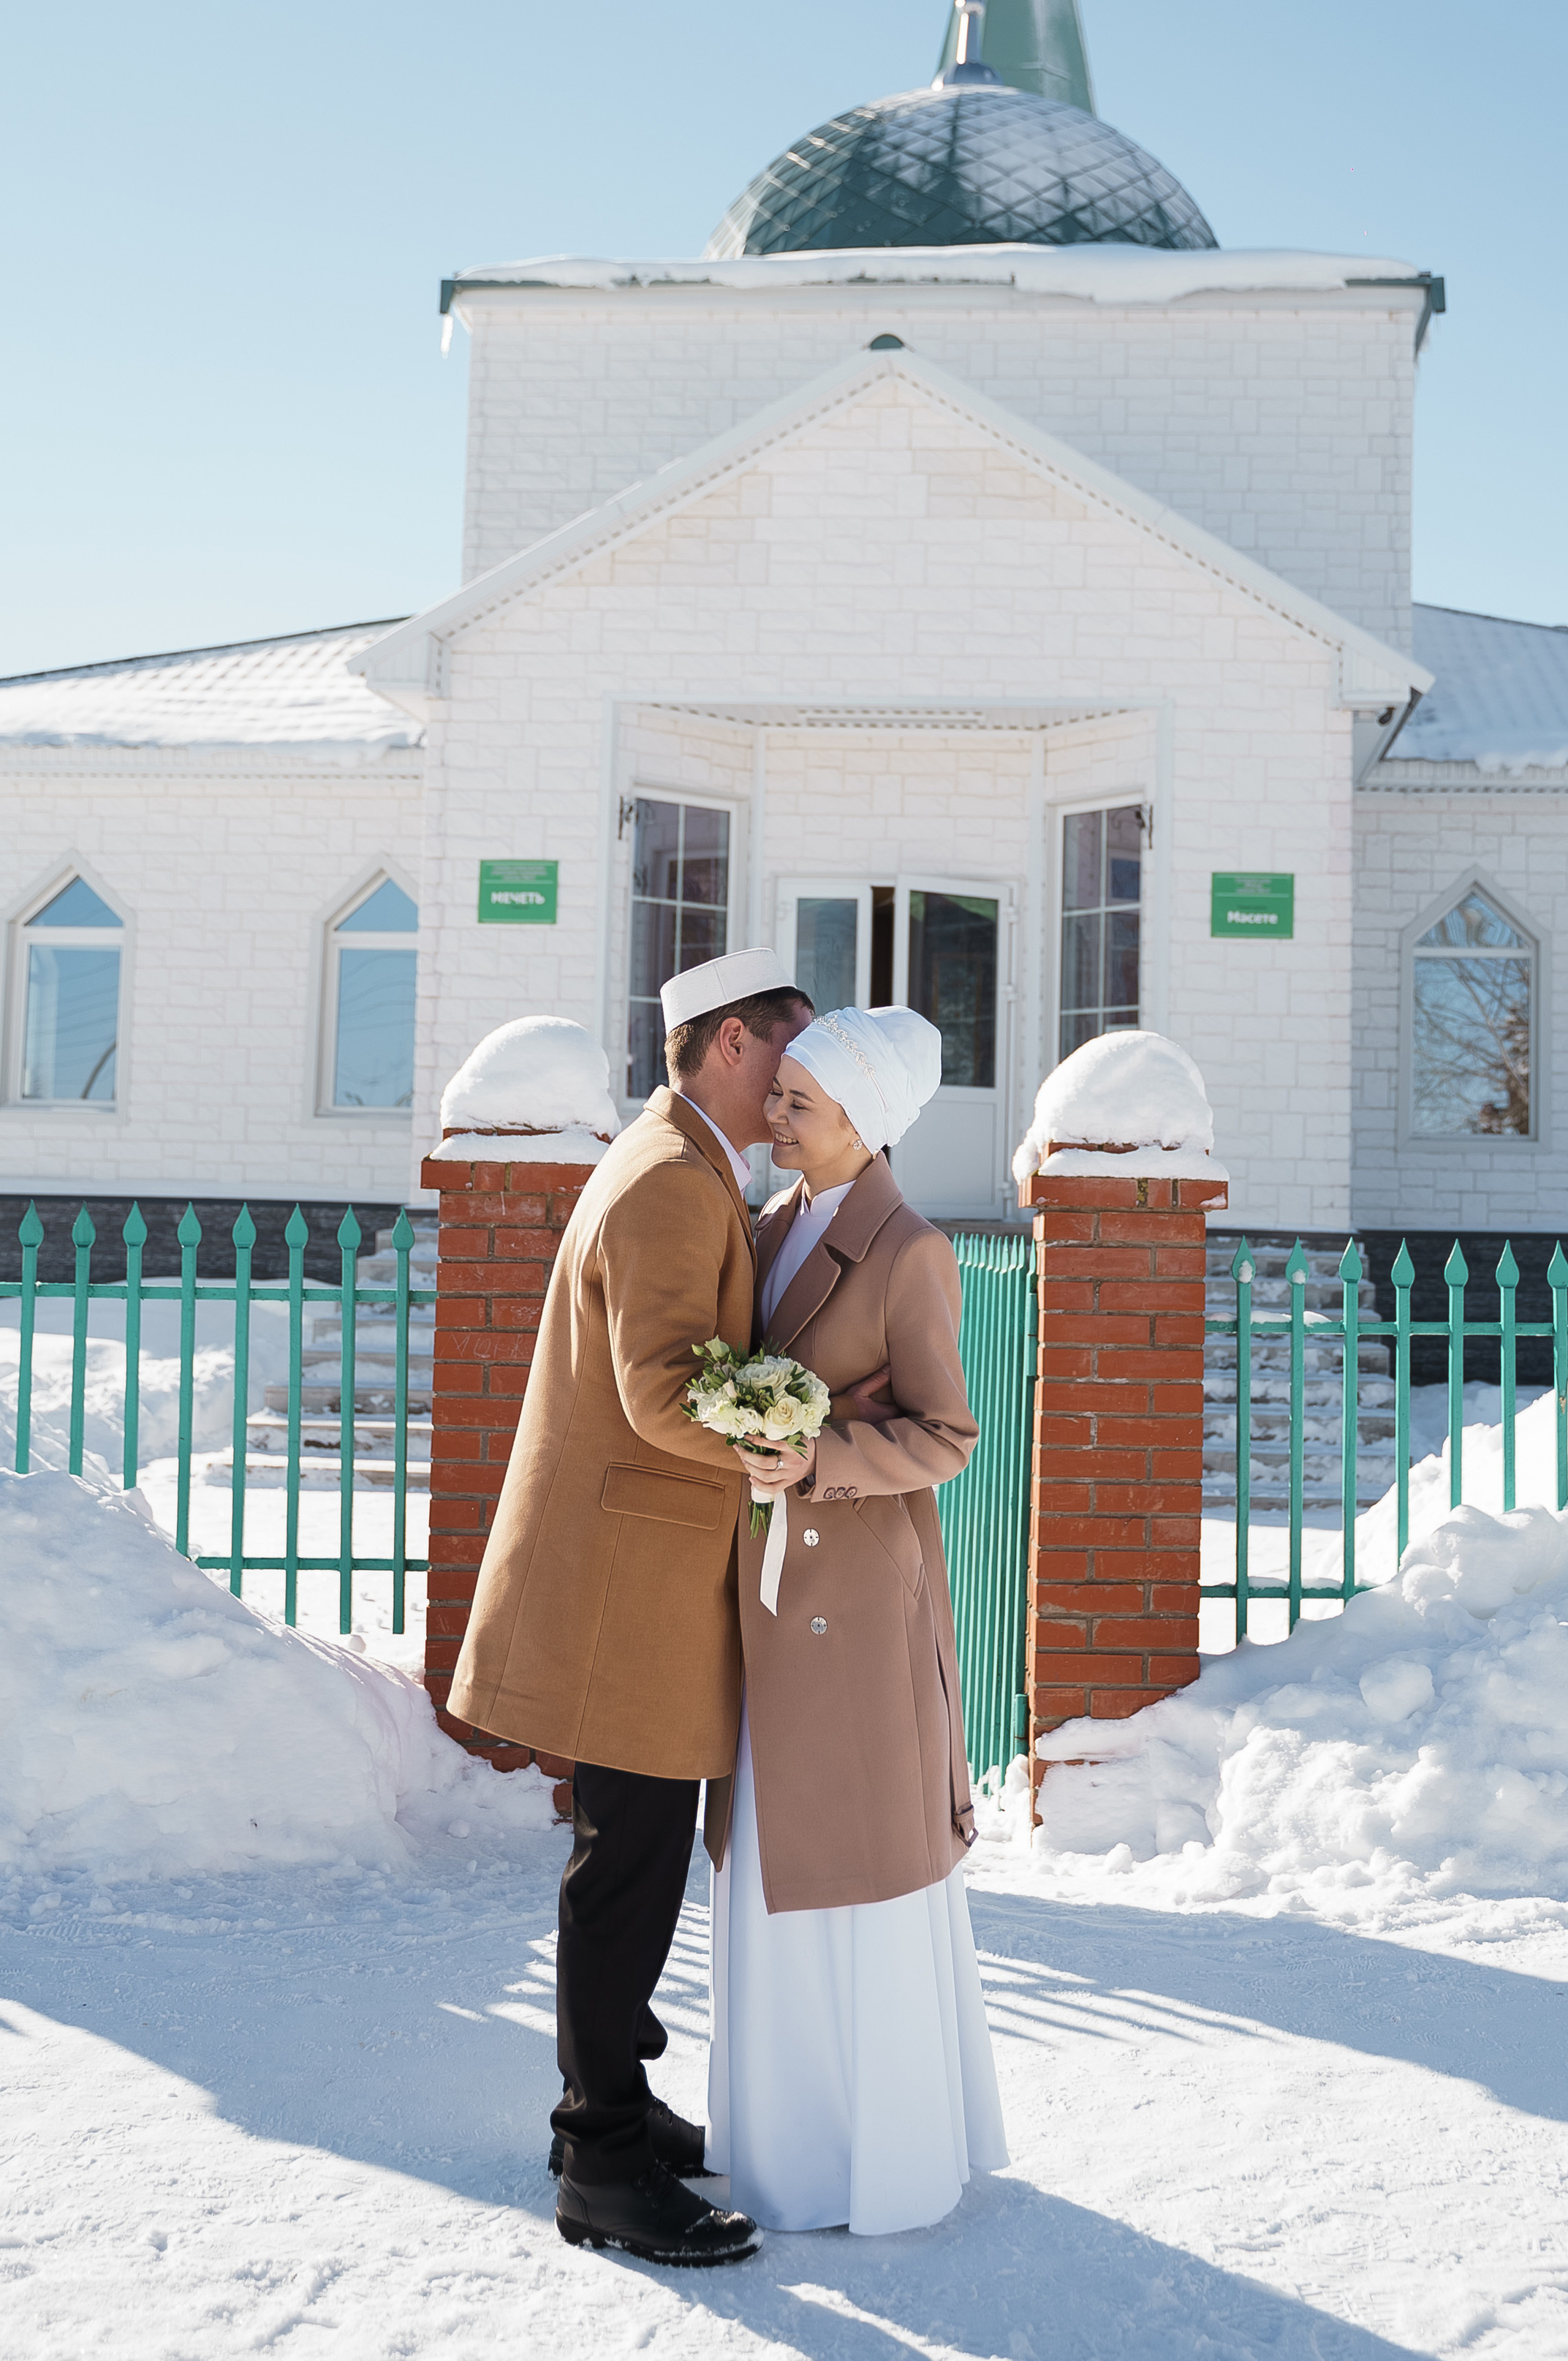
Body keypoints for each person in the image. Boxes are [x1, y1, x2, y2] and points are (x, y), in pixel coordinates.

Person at [447, 948, 813, 2269]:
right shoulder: (667, 1181)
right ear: (728, 1045)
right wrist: (790, 1434)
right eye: (787, 1054)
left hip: (632, 1575)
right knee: (627, 1872)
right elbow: (665, 1394)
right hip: (625, 1591)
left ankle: (610, 2111)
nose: (796, 1086)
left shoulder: (685, 1160)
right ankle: (600, 2160)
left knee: (632, 1858)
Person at [703, 1003, 1010, 2235]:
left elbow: (947, 1437)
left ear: (863, 1123)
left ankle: (875, 2158)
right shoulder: (770, 1223)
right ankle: (784, 2148)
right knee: (771, 1855)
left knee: (856, 1866)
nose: (772, 1117)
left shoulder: (910, 1251)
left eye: (799, 1106)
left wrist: (812, 1454)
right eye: (777, 1095)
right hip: (766, 1595)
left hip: (854, 1604)